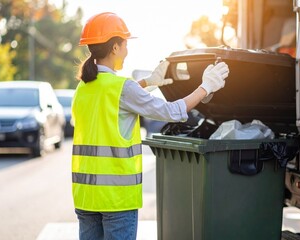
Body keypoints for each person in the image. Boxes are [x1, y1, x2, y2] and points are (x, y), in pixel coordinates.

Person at [71, 12, 229, 240]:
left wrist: (147, 82)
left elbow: (113, 103)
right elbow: (171, 111)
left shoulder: (83, 89)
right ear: (115, 47)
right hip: (116, 199)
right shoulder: (122, 87)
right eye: (125, 44)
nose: (127, 50)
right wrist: (206, 86)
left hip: (86, 196)